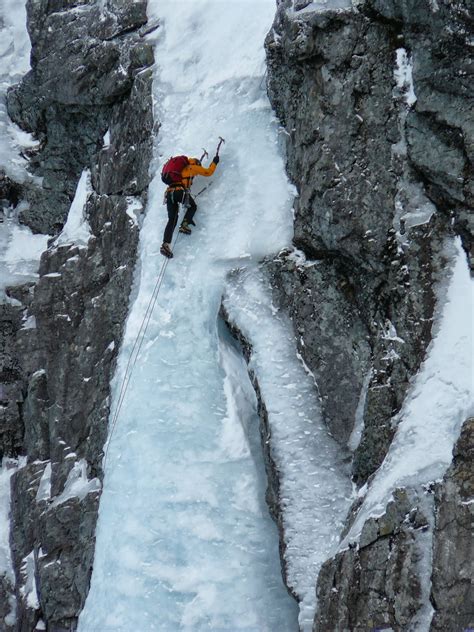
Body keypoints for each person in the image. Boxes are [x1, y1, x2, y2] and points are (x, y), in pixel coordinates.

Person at [160, 154, 220, 258]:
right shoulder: (192, 167)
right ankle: (184, 225)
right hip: (179, 192)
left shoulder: (178, 172)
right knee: (193, 207)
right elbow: (208, 172)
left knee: (172, 219)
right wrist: (215, 162)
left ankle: (165, 244)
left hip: (169, 194)